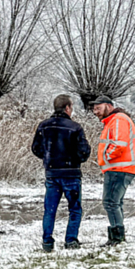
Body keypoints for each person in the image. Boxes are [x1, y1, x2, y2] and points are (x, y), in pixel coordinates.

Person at [31, 94, 91, 252]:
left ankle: (47, 242)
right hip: (71, 174)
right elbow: (84, 152)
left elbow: (35, 148)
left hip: (52, 173)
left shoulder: (43, 126)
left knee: (50, 209)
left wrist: (48, 157)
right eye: (71, 107)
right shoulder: (75, 128)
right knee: (75, 208)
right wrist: (76, 159)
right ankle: (71, 240)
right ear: (67, 108)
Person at [91, 96, 135, 246]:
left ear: (109, 106)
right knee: (115, 203)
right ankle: (117, 236)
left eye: (98, 108)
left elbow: (119, 144)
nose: (95, 112)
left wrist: (107, 157)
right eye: (94, 109)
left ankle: (116, 238)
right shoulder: (114, 120)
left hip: (119, 167)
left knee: (110, 202)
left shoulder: (118, 120)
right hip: (119, 167)